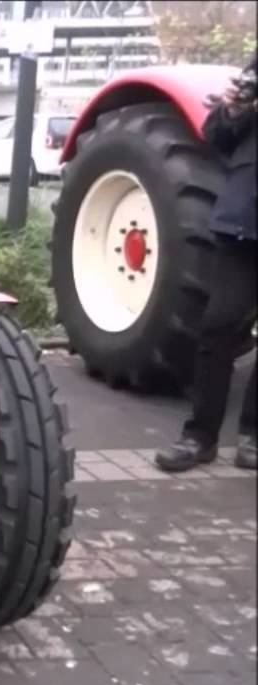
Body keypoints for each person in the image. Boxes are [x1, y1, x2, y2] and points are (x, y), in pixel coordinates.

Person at [155, 56, 258, 473]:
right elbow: (216, 136)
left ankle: (253, 436)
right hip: (245, 224)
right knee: (218, 327)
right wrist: (234, 109)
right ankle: (199, 436)